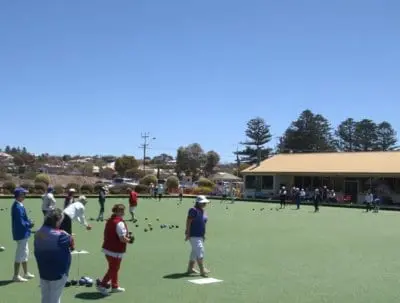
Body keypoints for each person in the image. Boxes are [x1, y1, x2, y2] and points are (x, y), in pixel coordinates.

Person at [34, 209, 74, 303]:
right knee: (55, 298)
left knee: (45, 297)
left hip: (43, 270)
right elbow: (71, 244)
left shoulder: (38, 233)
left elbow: (46, 237)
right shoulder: (62, 235)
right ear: (58, 220)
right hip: (58, 272)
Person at [97, 204, 134, 296]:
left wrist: (127, 237)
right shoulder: (119, 223)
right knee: (113, 269)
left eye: (123, 211)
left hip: (107, 248)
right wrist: (130, 240)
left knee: (114, 268)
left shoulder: (110, 220)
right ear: (117, 211)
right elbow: (122, 239)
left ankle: (114, 286)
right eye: (121, 211)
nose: (123, 213)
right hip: (115, 250)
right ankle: (102, 285)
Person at [11, 187, 35, 282]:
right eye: (23, 194)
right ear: (19, 195)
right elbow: (20, 222)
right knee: (20, 254)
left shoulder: (19, 205)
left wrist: (28, 221)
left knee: (25, 253)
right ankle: (15, 276)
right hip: (21, 234)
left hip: (24, 233)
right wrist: (30, 224)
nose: (25, 196)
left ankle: (25, 273)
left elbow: (23, 220)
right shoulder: (17, 207)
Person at [185, 195, 210, 277]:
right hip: (193, 234)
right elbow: (188, 222)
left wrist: (203, 235)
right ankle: (202, 270)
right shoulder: (193, 210)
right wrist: (188, 233)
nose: (204, 204)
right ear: (198, 202)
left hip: (200, 235)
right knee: (200, 250)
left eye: (205, 202)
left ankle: (190, 268)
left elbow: (203, 224)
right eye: (203, 202)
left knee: (195, 252)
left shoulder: (203, 211)